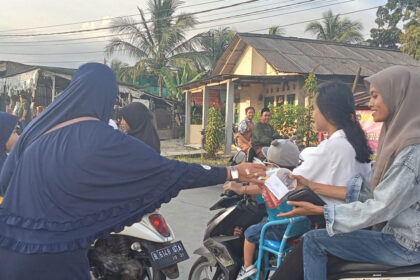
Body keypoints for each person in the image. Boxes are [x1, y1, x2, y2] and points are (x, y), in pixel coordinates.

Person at [0, 63, 266, 280]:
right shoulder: (103, 138)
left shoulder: (34, 134)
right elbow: (173, 172)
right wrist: (232, 173)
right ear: (107, 97)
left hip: (8, 254)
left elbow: (4, 183)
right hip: (58, 262)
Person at [278, 66, 420, 280]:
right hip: (391, 233)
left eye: (374, 96)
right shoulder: (396, 139)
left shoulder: (411, 150)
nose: (369, 103)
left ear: (397, 95)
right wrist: (311, 185)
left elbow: (382, 205)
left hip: (405, 244)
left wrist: (322, 211)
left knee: (314, 241)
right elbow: (366, 190)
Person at [226, 81, 372, 280]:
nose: (312, 114)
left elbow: (286, 182)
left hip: (330, 228)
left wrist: (241, 185)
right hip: (351, 224)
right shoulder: (354, 143)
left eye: (314, 109)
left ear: (327, 112)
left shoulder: (332, 146)